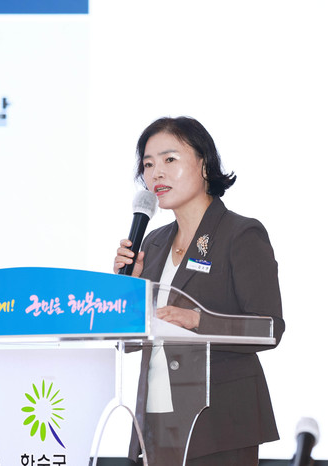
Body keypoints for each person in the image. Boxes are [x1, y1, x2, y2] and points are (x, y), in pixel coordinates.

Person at [114, 116, 285, 466]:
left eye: (169, 159)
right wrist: (126, 289)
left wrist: (197, 321)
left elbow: (269, 328)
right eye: (148, 165)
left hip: (220, 422)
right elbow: (129, 342)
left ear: (204, 165)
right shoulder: (153, 243)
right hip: (155, 419)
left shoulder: (240, 234)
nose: (156, 173)